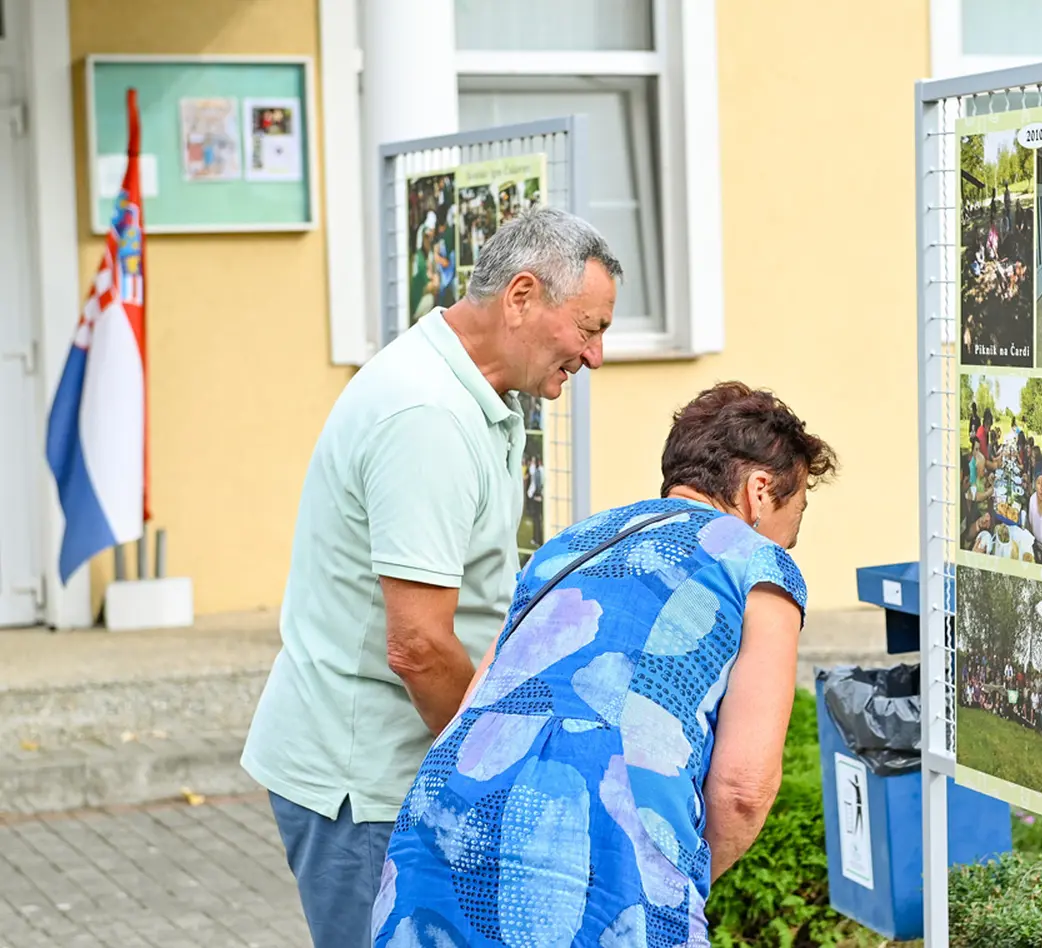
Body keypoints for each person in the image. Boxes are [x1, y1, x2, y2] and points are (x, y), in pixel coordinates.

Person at [240, 207, 622, 948]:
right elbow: (417, 645)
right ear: (520, 297)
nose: (596, 355)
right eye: (590, 327)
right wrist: (494, 769)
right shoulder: (428, 417)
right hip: (364, 782)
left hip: (379, 767)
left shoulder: (464, 389)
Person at [370, 382, 838, 946]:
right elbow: (743, 789)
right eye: (797, 519)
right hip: (608, 837)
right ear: (759, 491)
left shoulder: (568, 545)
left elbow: (475, 702)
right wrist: (675, 878)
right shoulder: (757, 563)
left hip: (442, 819)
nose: (790, 545)